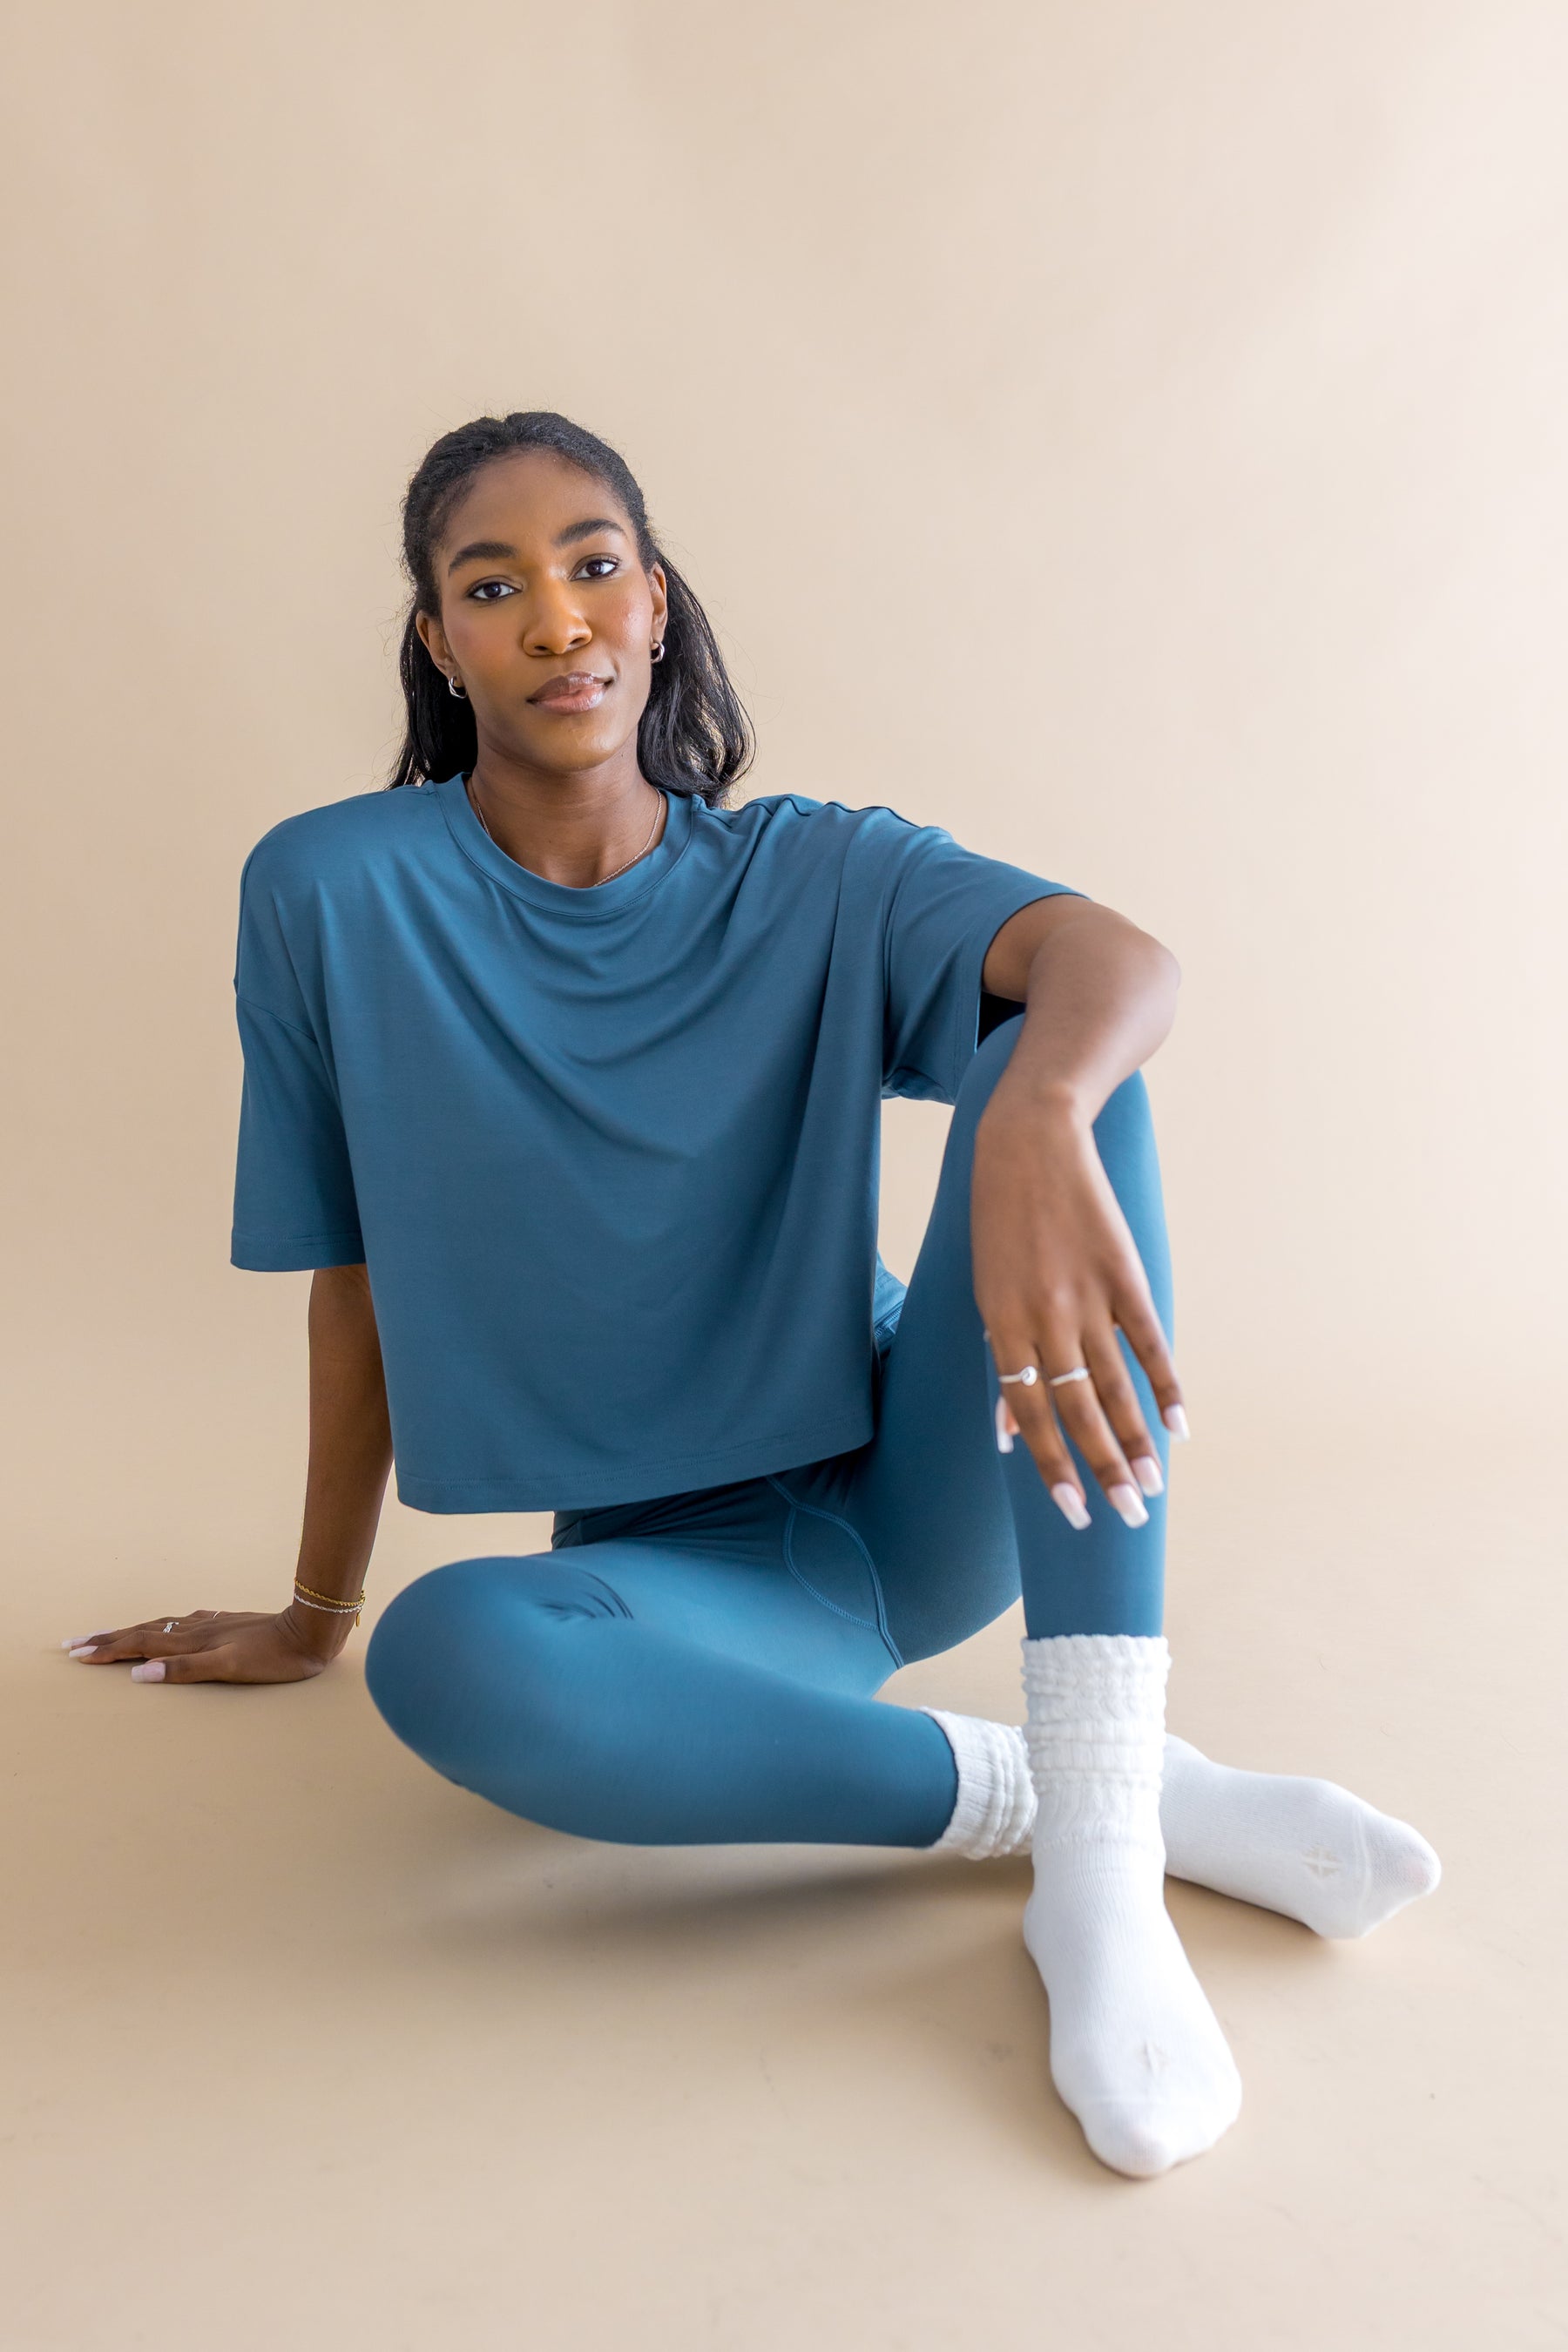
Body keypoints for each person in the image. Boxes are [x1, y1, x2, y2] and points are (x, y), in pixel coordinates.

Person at [63, 411, 1440, 2178]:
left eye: (595, 565)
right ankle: (1107, 1803)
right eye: (495, 585)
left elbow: (1118, 958)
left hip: (931, 1480)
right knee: (453, 1660)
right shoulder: (332, 892)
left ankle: (1099, 1883)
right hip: (703, 1584)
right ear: (439, 639)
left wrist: (1029, 1107)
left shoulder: (813, 869)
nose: (556, 617)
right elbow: (356, 1284)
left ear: (656, 605)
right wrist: (317, 1615)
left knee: (1085, 1068)